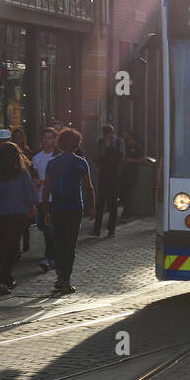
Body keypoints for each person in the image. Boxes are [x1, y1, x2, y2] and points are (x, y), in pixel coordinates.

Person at [43, 128, 95, 295]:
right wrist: (92, 207)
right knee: (70, 245)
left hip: (57, 208)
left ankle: (60, 276)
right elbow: (88, 187)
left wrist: (45, 211)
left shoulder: (52, 163)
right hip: (74, 208)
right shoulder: (81, 163)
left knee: (59, 243)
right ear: (76, 144)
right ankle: (65, 280)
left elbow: (46, 189)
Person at [0, 142, 38, 295]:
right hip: (18, 216)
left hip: (0, 216)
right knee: (12, 248)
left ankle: (6, 278)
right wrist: (32, 209)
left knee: (3, 246)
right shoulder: (21, 173)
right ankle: (4, 279)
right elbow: (30, 194)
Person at [32, 126, 61, 271]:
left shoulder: (59, 156)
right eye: (45, 138)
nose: (47, 141)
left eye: (50, 138)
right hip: (42, 199)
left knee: (51, 229)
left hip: (56, 198)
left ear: (55, 140)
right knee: (45, 228)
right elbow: (34, 178)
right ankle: (53, 256)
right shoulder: (36, 157)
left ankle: (49, 258)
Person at [92, 124, 125, 238]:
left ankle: (111, 230)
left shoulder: (119, 142)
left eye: (109, 133)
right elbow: (98, 156)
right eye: (105, 134)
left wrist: (110, 146)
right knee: (100, 202)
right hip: (103, 175)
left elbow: (121, 156)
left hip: (115, 176)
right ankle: (97, 229)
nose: (107, 136)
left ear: (112, 132)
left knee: (113, 203)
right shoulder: (101, 141)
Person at [120, 130, 145, 219]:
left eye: (125, 136)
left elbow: (142, 160)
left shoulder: (136, 147)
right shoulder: (121, 146)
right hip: (121, 173)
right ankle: (126, 211)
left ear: (130, 136)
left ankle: (127, 213)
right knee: (122, 193)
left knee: (128, 193)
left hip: (131, 173)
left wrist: (132, 160)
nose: (123, 137)